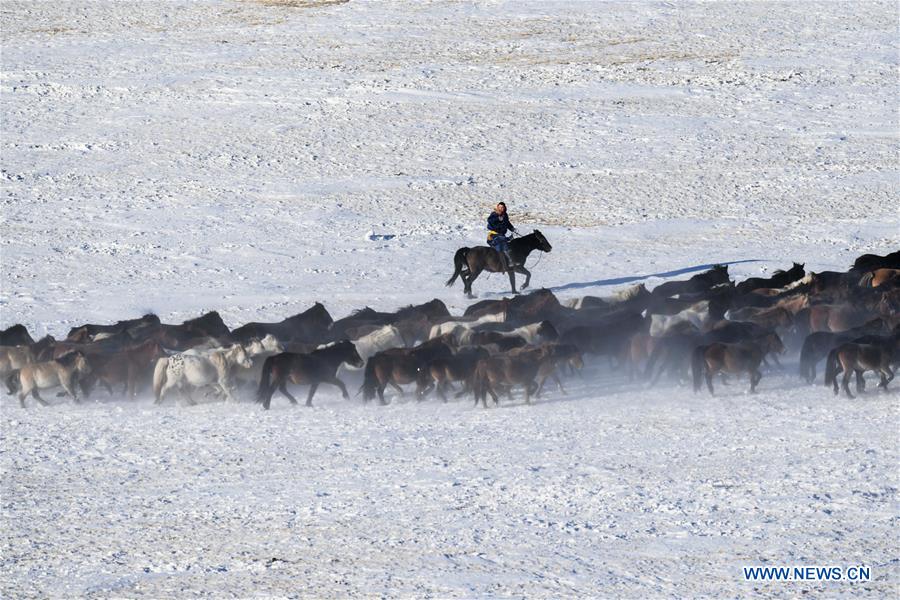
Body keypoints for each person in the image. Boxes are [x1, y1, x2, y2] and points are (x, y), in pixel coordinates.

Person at [487, 202, 516, 270]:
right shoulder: (494, 214)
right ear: (497, 207)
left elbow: (507, 223)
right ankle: (508, 262)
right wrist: (497, 218)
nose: (501, 209)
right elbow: (490, 220)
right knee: (503, 245)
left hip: (502, 234)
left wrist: (512, 228)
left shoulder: (505, 215)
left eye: (502, 207)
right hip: (494, 234)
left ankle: (509, 259)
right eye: (500, 207)